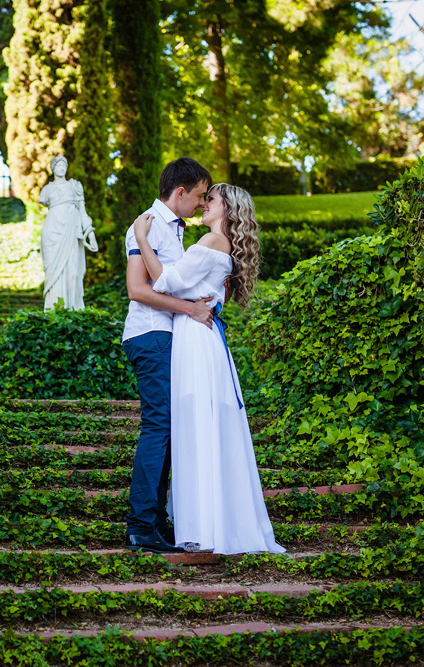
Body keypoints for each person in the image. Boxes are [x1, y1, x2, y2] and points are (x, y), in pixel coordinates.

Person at [132, 184, 285, 555]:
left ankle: (200, 525)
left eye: (210, 199)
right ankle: (212, 521)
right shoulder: (223, 247)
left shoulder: (211, 241)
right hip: (204, 336)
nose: (203, 204)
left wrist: (141, 240)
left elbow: (166, 281)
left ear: (228, 209)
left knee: (194, 424)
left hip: (195, 340)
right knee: (203, 425)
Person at [121, 157, 215, 554]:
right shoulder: (147, 224)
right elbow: (138, 290)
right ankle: (141, 524)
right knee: (158, 426)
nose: (200, 204)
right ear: (179, 192)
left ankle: (156, 521)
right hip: (150, 335)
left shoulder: (171, 230)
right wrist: (191, 308)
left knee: (169, 428)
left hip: (166, 337)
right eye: (198, 196)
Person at [38, 156, 98, 310]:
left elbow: (83, 213)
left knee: (74, 273)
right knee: (54, 275)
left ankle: (73, 309)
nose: (62, 168)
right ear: (53, 168)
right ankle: (54, 310)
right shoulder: (47, 189)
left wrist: (90, 234)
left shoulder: (75, 186)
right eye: (58, 165)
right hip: (52, 232)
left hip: (71, 231)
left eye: (64, 165)